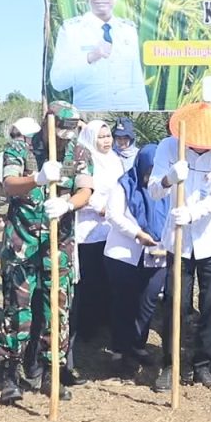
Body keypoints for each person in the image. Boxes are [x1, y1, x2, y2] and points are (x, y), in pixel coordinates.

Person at [0, 101, 93, 404]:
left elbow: (86, 190)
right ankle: (11, 374)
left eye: (69, 132)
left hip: (58, 244)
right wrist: (36, 179)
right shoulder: (20, 148)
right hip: (22, 243)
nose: (63, 138)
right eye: (60, 132)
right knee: (18, 311)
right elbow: (10, 185)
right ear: (47, 123)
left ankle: (51, 373)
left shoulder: (78, 152)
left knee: (57, 310)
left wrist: (68, 203)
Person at [148, 115, 211, 391]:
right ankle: (170, 362)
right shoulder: (168, 146)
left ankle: (202, 364)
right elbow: (154, 192)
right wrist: (169, 179)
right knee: (177, 302)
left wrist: (191, 212)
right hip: (179, 240)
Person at [49, 0, 148, 111]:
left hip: (128, 113)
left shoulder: (128, 30)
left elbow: (136, 84)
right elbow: (58, 82)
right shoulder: (72, 30)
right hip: (89, 115)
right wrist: (90, 57)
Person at [104, 144, 168, 373]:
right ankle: (120, 350)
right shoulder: (124, 185)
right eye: (149, 170)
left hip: (157, 254)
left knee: (148, 300)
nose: (151, 175)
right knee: (125, 302)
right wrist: (137, 234)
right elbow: (114, 215)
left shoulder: (166, 188)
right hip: (125, 255)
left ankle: (139, 345)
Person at [73, 120, 125, 345]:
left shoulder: (114, 160)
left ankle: (104, 320)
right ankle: (86, 326)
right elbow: (80, 189)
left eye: (108, 136)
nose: (107, 141)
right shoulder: (84, 160)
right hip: (88, 229)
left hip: (110, 228)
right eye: (101, 137)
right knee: (89, 279)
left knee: (106, 278)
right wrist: (99, 207)